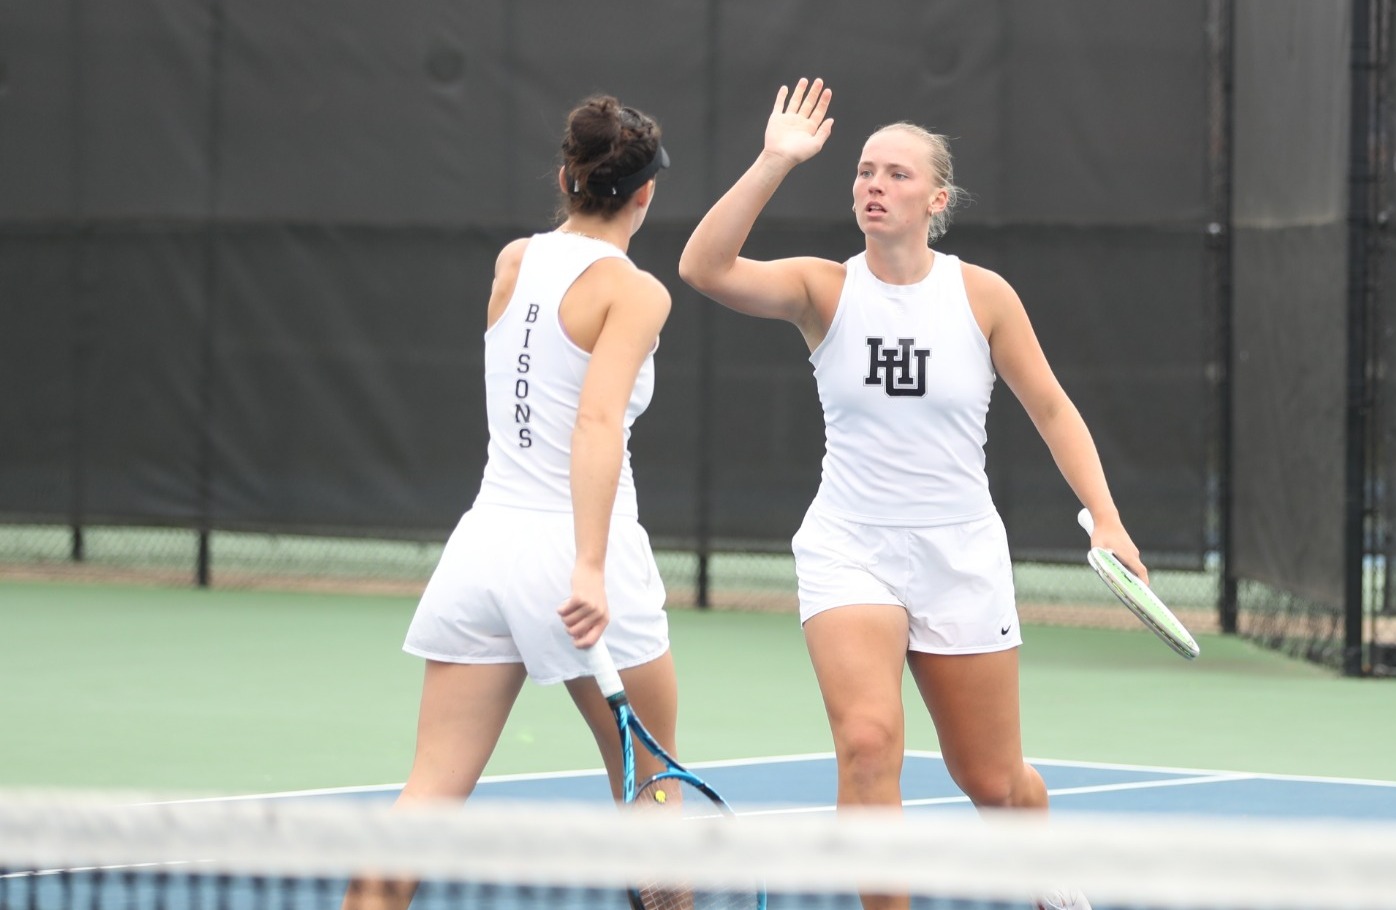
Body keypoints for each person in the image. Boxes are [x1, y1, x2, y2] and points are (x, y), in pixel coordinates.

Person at [679, 78, 1145, 910]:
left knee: (994, 782)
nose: (873, 186)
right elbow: (702, 268)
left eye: (895, 174)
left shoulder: (982, 295)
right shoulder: (823, 289)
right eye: (863, 171)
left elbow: (1050, 407)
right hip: (850, 546)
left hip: (959, 552)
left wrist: (1107, 519)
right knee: (866, 745)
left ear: (936, 197)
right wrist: (774, 160)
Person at [344, 95, 675, 910]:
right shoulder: (635, 293)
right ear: (645, 195)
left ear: (567, 177)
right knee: (656, 797)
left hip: (483, 553)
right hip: (577, 559)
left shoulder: (515, 260)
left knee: (426, 797)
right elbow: (595, 423)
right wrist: (590, 567)